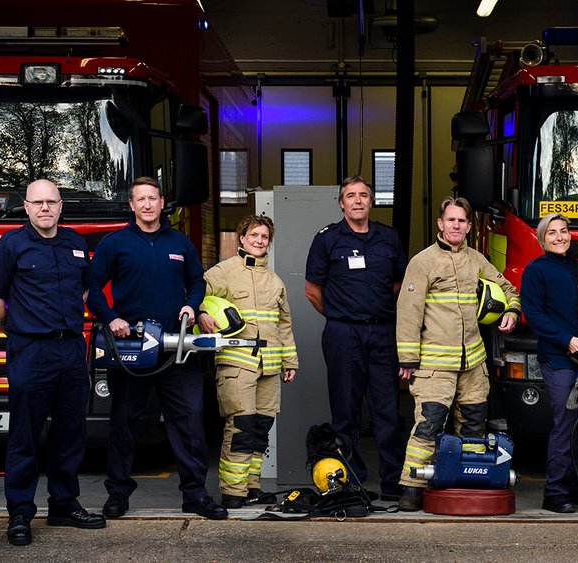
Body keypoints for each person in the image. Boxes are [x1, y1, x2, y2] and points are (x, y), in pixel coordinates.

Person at [87, 176, 227, 521]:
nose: (148, 205)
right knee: (123, 424)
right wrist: (111, 318)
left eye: (153, 198)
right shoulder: (114, 244)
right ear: (132, 205)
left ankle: (195, 495)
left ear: (162, 203)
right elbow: (90, 286)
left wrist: (192, 306)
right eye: (141, 199)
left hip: (176, 349)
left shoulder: (180, 243)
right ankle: (118, 494)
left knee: (190, 423)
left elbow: (196, 281)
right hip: (132, 348)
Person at [0, 179, 106, 546]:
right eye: (38, 203)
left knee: (70, 432)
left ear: (61, 206)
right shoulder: (11, 245)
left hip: (71, 350)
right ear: (27, 206)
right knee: (26, 435)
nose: (45, 208)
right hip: (31, 351)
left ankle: (64, 504)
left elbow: (85, 290)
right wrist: (18, 332)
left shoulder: (75, 243)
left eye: (51, 202)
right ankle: (20, 512)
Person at [394, 197, 521, 511]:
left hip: (473, 365)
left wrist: (513, 312)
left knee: (475, 426)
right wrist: (407, 359)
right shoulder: (422, 262)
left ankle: (468, 481)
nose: (456, 226)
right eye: (450, 220)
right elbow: (408, 313)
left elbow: (506, 287)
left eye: (461, 221)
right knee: (429, 425)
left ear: (467, 226)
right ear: (440, 223)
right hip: (433, 366)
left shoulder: (476, 259)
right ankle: (412, 487)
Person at [304, 176, 408, 500]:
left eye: (364, 195)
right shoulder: (327, 240)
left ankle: (393, 484)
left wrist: (372, 312)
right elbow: (312, 291)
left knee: (387, 411)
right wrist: (341, 315)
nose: (358, 201)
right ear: (341, 203)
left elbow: (398, 284)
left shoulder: (388, 238)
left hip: (381, 332)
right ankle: (353, 483)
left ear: (371, 201)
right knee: (345, 412)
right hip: (342, 334)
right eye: (351, 196)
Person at [198, 215, 299, 509]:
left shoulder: (274, 281)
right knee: (241, 427)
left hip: (269, 366)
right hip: (236, 366)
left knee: (260, 429)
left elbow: (284, 324)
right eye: (253, 235)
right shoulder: (223, 272)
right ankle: (233, 491)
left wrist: (289, 361)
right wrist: (201, 312)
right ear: (241, 238)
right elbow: (197, 298)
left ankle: (251, 487)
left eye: (264, 237)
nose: (259, 241)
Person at [520, 212, 578, 513]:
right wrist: (564, 338)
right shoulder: (535, 271)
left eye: (564, 231)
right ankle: (554, 493)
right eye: (552, 233)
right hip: (558, 358)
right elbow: (533, 315)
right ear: (542, 239)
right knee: (567, 420)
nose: (560, 237)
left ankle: (575, 486)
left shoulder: (577, 266)